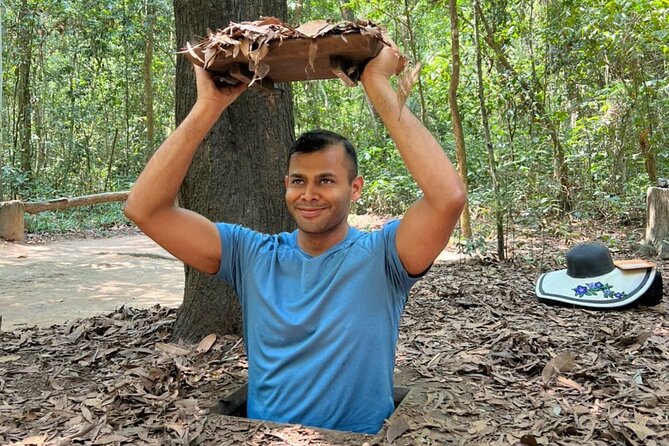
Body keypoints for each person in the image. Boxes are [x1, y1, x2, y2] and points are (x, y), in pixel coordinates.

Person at [124, 44, 466, 434]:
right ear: (285, 185)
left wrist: (376, 83)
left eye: (326, 181)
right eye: (299, 181)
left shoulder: (384, 257)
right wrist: (208, 106)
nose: (309, 194)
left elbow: (447, 198)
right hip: (263, 437)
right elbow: (145, 209)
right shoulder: (250, 255)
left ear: (355, 188)